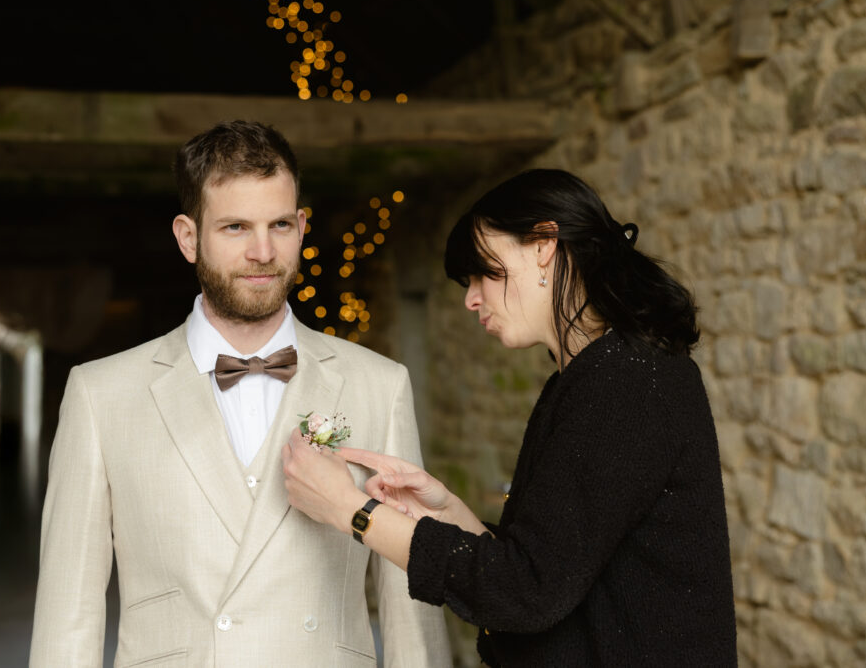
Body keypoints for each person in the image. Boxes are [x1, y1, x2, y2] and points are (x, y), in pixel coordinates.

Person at [30, 120, 451, 667]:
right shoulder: (100, 394)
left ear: (302, 227)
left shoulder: (379, 383)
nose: (262, 251)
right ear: (188, 237)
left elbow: (408, 595)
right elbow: (69, 611)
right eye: (234, 227)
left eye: (280, 224)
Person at [283, 168, 738, 667]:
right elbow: (551, 564)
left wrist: (351, 511)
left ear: (544, 244)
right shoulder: (589, 377)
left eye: (484, 271)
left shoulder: (627, 381)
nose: (470, 298)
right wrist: (449, 511)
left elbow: (525, 592)